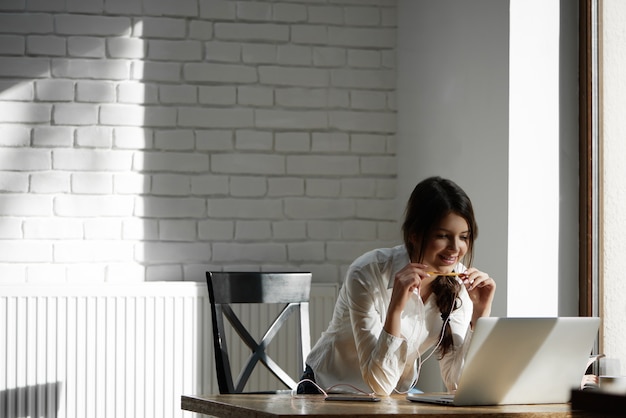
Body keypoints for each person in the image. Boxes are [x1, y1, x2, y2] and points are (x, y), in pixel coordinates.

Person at [298, 176, 496, 396]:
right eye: (442, 236)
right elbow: (379, 384)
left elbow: (458, 382)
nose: (455, 248)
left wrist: (480, 316)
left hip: (392, 399)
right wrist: (395, 309)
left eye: (464, 237)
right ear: (414, 235)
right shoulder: (367, 273)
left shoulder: (459, 284)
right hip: (327, 393)